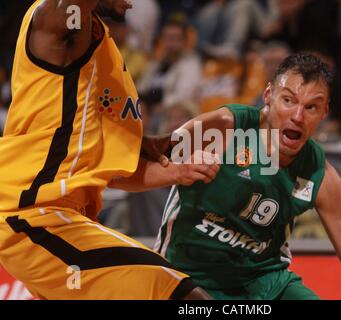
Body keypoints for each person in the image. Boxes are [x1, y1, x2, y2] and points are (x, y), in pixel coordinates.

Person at [0, 0, 219, 300]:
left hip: (60, 219)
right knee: (179, 294)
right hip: (30, 213)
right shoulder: (57, 21)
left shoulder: (104, 52)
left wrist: (176, 170)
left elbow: (109, 171)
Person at [154, 53, 341, 299]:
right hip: (188, 274)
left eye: (311, 107)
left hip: (263, 281)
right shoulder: (223, 128)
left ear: (324, 113)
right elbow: (148, 157)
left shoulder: (320, 176)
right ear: (269, 96)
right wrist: (176, 171)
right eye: (289, 100)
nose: (298, 117)